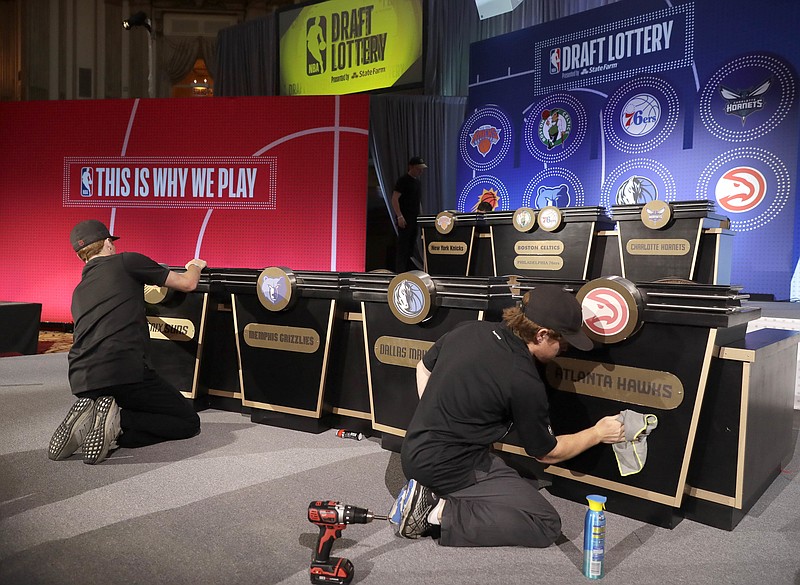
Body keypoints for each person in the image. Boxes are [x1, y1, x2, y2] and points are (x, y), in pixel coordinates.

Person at [393, 284, 625, 547]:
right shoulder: (523, 378)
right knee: (545, 523)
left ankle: (433, 492)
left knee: (523, 479)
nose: (564, 348)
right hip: (450, 468)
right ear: (541, 335)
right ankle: (436, 511)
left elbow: (422, 368)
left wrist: (438, 416)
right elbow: (547, 453)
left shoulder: (469, 329)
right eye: (563, 341)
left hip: (413, 450)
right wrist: (598, 433)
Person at [48, 219, 206, 465]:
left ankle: (98, 419)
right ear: (108, 243)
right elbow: (188, 283)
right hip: (124, 371)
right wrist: (195, 265)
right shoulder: (126, 261)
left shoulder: (79, 290)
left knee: (135, 410)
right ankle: (119, 421)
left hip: (82, 379)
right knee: (187, 422)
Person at [391, 156, 427, 272]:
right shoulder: (403, 180)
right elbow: (395, 199)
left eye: (421, 169)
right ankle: (400, 271)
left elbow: (418, 201)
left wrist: (421, 217)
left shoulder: (417, 183)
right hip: (405, 218)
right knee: (403, 247)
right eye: (418, 169)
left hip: (414, 218)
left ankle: (408, 271)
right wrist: (399, 216)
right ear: (411, 167)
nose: (420, 171)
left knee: (411, 246)